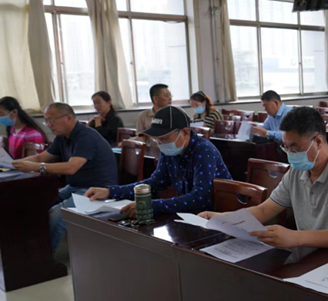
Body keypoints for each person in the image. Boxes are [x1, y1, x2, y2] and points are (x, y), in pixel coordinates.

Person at [200, 107, 328, 250]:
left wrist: (295, 237)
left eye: (295, 148)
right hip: (311, 250)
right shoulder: (296, 172)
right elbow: (264, 210)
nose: (290, 154)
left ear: (318, 141)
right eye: (285, 147)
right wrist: (221, 218)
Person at [86, 106, 231, 218]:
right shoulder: (171, 151)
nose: (160, 144)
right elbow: (154, 183)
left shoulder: (203, 150)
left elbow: (200, 198)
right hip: (192, 216)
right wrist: (110, 191)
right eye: (157, 139)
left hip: (217, 217)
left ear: (185, 132)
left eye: (164, 138)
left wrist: (152, 205)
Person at [12, 103, 117, 250]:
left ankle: (46, 258)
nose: (49, 125)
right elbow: (40, 158)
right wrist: (12, 164)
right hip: (74, 187)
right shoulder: (62, 137)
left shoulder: (85, 136)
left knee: (57, 213)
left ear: (68, 118)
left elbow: (71, 167)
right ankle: (30, 252)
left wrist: (36, 167)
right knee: (37, 202)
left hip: (97, 191)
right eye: (46, 121)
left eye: (52, 121)